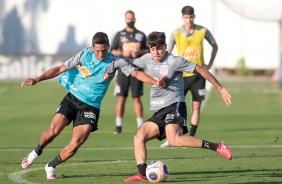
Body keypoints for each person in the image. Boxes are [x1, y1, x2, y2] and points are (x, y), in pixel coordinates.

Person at [20, 32, 166, 180]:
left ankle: (51, 165)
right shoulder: (84, 55)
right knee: (53, 131)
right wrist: (37, 79)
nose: (101, 54)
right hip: (72, 98)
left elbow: (136, 73)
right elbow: (59, 69)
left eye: (104, 50)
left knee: (76, 143)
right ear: (92, 48)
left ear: (108, 47)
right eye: (97, 51)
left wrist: (155, 82)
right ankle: (36, 152)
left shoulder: (116, 62)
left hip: (91, 107)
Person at [123, 32, 232, 182]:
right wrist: (111, 64)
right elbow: (127, 64)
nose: (156, 52)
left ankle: (217, 146)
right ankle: (142, 174)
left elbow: (201, 69)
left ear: (166, 47)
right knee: (139, 137)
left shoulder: (174, 61)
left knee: (173, 140)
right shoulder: (147, 59)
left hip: (175, 105)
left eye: (159, 48)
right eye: (152, 49)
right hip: (161, 110)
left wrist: (220, 88)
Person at [161, 5, 218, 147]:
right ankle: (171, 136)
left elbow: (215, 45)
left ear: (194, 16)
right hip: (181, 76)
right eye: (186, 17)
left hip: (198, 75)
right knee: (175, 105)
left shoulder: (202, 31)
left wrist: (209, 64)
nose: (189, 20)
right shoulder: (176, 33)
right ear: (182, 17)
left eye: (191, 17)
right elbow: (168, 52)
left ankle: (191, 138)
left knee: (196, 106)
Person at [110, 10, 148, 134]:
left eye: (132, 18)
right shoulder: (119, 34)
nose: (130, 20)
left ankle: (140, 124)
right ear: (125, 19)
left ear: (135, 19)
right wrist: (122, 53)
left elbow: (148, 50)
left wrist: (139, 53)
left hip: (137, 69)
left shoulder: (141, 35)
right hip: (123, 69)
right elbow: (112, 51)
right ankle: (118, 125)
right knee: (121, 97)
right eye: (128, 18)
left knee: (136, 98)